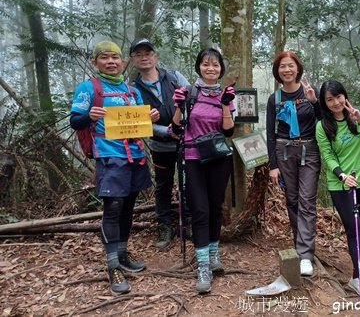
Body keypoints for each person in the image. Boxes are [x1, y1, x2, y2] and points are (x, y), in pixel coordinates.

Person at [69, 40, 159, 295]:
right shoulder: (89, 88)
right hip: (109, 157)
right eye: (104, 57)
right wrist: (90, 116)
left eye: (115, 58)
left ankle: (122, 255)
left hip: (135, 156)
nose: (111, 62)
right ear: (94, 62)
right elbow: (76, 121)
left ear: (123, 62)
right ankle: (112, 267)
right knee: (113, 207)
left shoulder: (132, 91)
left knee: (129, 206)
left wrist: (150, 118)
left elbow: (144, 125)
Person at [171, 48, 235, 294]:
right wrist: (178, 105)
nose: (211, 68)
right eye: (206, 64)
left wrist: (226, 104)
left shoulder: (226, 94)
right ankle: (203, 266)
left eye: (216, 65)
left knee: (216, 207)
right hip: (193, 157)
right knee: (199, 209)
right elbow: (176, 127)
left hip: (218, 157)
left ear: (221, 69)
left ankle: (213, 252)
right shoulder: (188, 93)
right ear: (198, 67)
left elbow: (228, 131)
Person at [315, 79, 360, 314]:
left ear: (345, 95)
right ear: (324, 103)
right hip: (342, 185)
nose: (335, 103)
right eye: (329, 99)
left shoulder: (359, 113)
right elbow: (328, 156)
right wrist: (342, 175)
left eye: (338, 96)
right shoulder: (323, 126)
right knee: (353, 232)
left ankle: (356, 276)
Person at [129, 38, 190, 250]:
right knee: (163, 185)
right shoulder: (133, 90)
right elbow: (135, 124)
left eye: (148, 52)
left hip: (186, 142)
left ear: (156, 56)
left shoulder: (174, 77)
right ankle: (164, 225)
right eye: (139, 54)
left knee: (188, 183)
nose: (144, 57)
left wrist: (183, 126)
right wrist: (165, 130)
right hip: (160, 146)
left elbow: (192, 101)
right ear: (133, 60)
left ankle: (188, 222)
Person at [266, 51, 321, 276]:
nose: (287, 70)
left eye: (290, 66)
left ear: (298, 68)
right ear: (277, 72)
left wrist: (315, 103)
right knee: (293, 200)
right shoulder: (275, 99)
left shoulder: (311, 92)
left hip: (309, 150)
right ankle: (301, 245)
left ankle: (305, 255)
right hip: (284, 151)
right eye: (282, 67)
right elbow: (270, 133)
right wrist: (273, 165)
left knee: (307, 200)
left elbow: (324, 121)